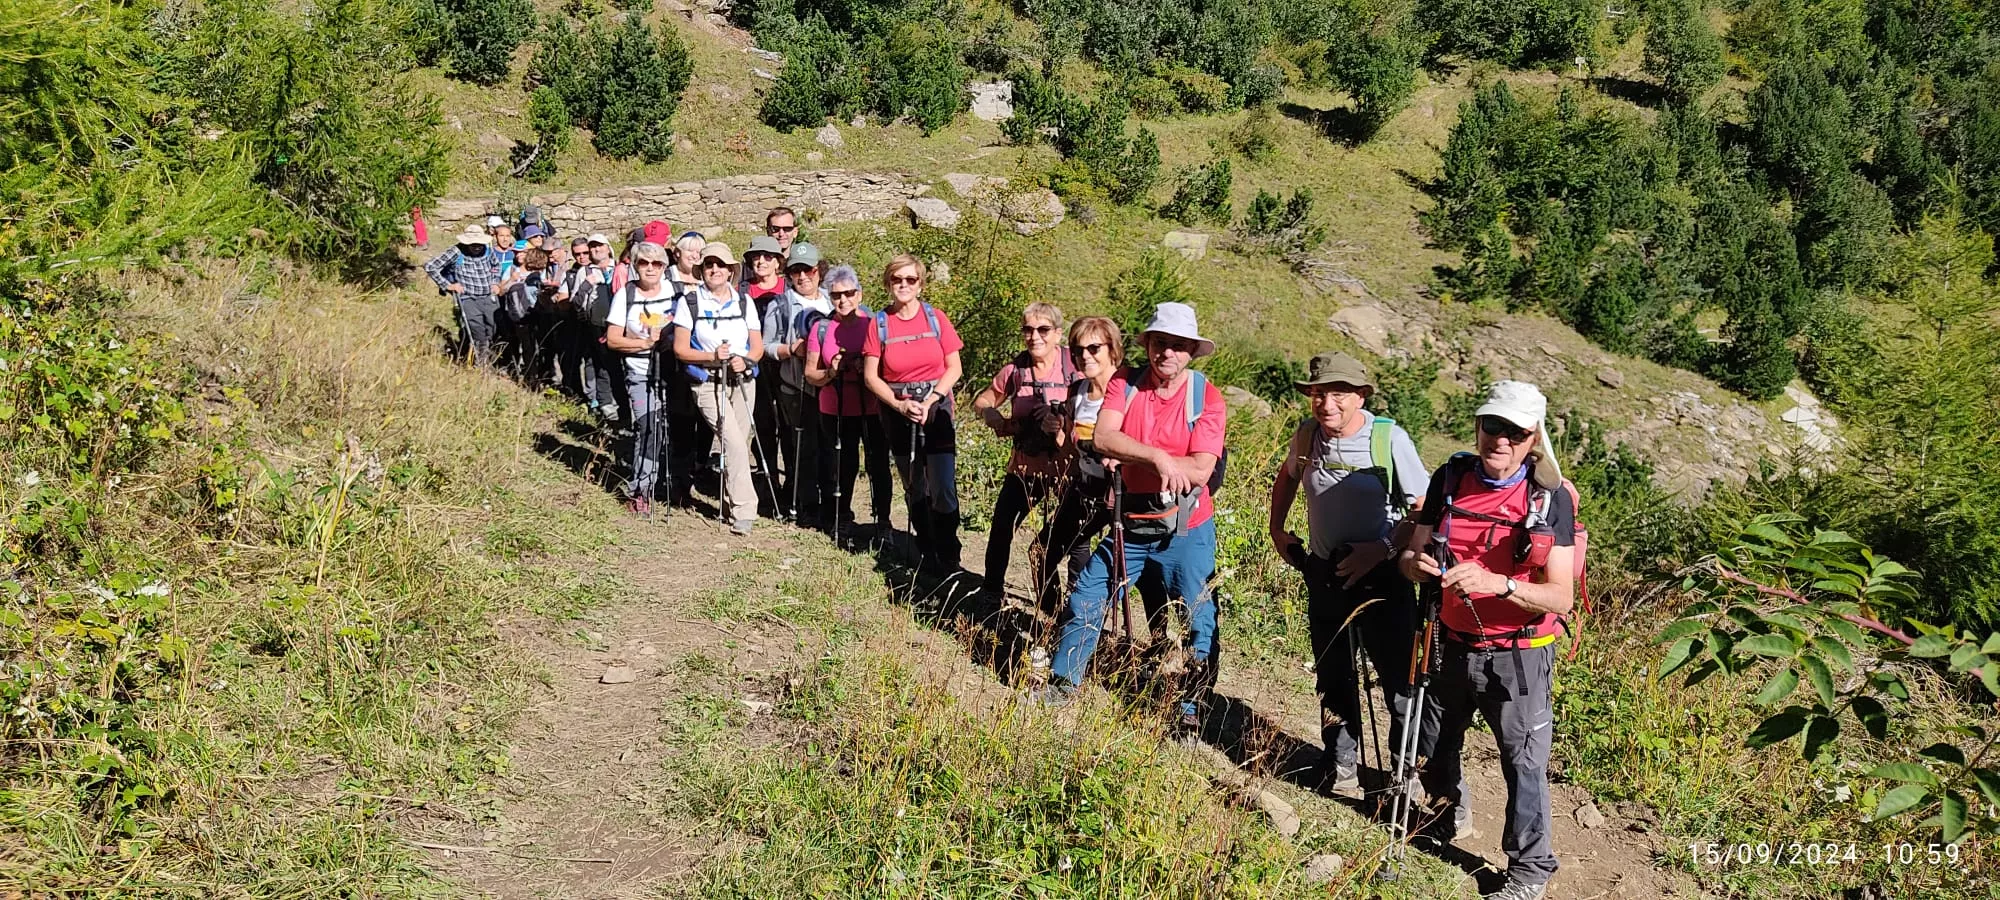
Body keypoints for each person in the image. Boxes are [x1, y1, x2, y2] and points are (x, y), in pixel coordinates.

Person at [1397, 380, 1576, 900]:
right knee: (1434, 740)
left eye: (1515, 431)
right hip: (1449, 639)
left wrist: (1500, 584)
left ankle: (1529, 872)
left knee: (1523, 762)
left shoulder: (1550, 499)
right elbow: (1411, 555)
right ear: (1478, 425)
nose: (1500, 439)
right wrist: (1418, 566)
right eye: (1492, 426)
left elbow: (1561, 597)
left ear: (1534, 437)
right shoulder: (1450, 478)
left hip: (1518, 654)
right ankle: (1446, 813)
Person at [1043, 302, 1228, 736]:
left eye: (1179, 345)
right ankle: (1062, 683)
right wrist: (1158, 457)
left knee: (1197, 618)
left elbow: (1201, 469)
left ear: (1191, 352)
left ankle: (1190, 706)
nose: (1168, 353)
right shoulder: (1124, 385)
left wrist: (1132, 454)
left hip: (1187, 527)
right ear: (1147, 345)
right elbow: (1104, 436)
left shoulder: (1207, 396)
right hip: (1130, 523)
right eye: (1161, 343)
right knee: (1087, 593)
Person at [1267, 351, 1429, 796]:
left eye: (1338, 393)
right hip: (1323, 573)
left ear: (1360, 396)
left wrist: (1382, 549)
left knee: (1399, 681)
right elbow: (1286, 479)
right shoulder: (1307, 437)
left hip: (1383, 579)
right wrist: (1277, 529)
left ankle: (1407, 775)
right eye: (1318, 394)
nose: (1326, 404)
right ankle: (1339, 765)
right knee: (1333, 675)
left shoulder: (1388, 440)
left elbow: (1424, 511)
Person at [861, 255, 965, 574]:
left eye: (910, 279)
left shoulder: (936, 319)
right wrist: (899, 404)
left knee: (943, 484)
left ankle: (949, 552)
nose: (903, 285)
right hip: (898, 411)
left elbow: (954, 367)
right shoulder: (879, 324)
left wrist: (932, 398)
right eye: (897, 279)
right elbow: (870, 376)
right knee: (915, 483)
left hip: (937, 410)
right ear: (888, 283)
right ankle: (925, 547)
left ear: (920, 283)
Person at [971, 302, 1075, 607]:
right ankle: (991, 590)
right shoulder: (1015, 371)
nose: (1034, 336)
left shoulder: (1074, 367)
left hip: (1069, 467)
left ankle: (1071, 603)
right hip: (1026, 465)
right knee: (1003, 524)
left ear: (1057, 333)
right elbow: (985, 399)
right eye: (1028, 329)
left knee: (1073, 540)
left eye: (1043, 329)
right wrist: (989, 413)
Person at [673, 242, 764, 535]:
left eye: (721, 265)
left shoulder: (743, 302)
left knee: (738, 442)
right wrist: (712, 357)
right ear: (701, 270)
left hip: (743, 379)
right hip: (707, 381)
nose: (715, 270)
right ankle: (745, 509)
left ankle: (728, 501)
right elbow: (680, 349)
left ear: (731, 271)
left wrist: (746, 360)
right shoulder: (689, 302)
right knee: (733, 442)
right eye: (709, 265)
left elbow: (758, 346)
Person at [803, 265, 892, 539]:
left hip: (873, 406)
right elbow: (810, 373)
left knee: (878, 464)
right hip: (835, 406)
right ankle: (841, 517)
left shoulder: (874, 325)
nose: (842, 300)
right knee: (841, 464)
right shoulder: (822, 328)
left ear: (859, 294)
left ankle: (883, 521)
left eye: (848, 293)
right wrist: (832, 371)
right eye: (836, 295)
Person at [604, 242, 682, 517]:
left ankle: (673, 482)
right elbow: (613, 340)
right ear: (635, 265)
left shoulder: (676, 291)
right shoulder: (625, 295)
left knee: (673, 427)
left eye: (657, 263)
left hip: (672, 370)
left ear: (664, 266)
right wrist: (644, 343)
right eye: (644, 263)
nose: (650, 268)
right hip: (639, 372)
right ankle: (641, 490)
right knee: (647, 427)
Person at [764, 242, 833, 525]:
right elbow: (766, 346)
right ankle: (803, 505)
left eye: (808, 270)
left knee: (829, 446)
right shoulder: (779, 305)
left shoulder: (833, 299)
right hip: (794, 387)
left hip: (829, 387)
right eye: (796, 271)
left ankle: (829, 502)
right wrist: (791, 349)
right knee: (800, 447)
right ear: (788, 274)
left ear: (819, 271)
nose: (803, 277)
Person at [741, 236, 790, 517]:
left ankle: (791, 480)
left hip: (782, 362)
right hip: (754, 365)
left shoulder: (789, 289)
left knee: (788, 423)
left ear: (778, 261)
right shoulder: (743, 290)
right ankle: (768, 477)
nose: (761, 261)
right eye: (756, 257)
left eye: (767, 256)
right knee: (762, 422)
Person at [422, 226, 504, 366]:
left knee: (494, 329)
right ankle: (481, 364)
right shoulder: (456, 252)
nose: (477, 247)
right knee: (477, 332)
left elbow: (496, 265)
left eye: (479, 244)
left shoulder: (488, 250)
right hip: (468, 299)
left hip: (489, 297)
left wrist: (495, 282)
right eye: (473, 244)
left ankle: (493, 360)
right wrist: (448, 285)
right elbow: (431, 266)